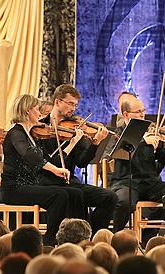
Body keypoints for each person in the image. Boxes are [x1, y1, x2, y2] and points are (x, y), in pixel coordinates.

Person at [39, 84, 116, 233]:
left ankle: (92, 234)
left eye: (75, 105)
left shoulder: (75, 128)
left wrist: (95, 143)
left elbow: (81, 163)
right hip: (47, 182)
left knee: (110, 197)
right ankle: (78, 237)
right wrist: (71, 144)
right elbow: (45, 162)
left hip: (70, 181)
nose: (73, 109)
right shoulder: (41, 128)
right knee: (77, 194)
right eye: (70, 104)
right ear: (57, 102)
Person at [1, 94, 71, 244]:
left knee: (69, 192)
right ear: (27, 111)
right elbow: (29, 155)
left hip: (29, 185)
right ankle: (49, 240)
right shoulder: (16, 133)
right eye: (37, 109)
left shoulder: (30, 134)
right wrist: (55, 170)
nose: (40, 113)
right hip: (14, 188)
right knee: (59, 196)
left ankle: (63, 237)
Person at [108, 93, 165, 232]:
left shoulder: (150, 133)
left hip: (150, 183)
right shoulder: (118, 133)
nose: (143, 115)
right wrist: (143, 143)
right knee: (123, 202)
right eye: (138, 112)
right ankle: (116, 236)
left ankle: (148, 236)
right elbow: (120, 154)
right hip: (126, 181)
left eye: (143, 111)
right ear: (126, 115)